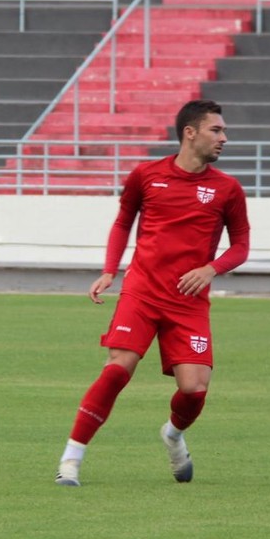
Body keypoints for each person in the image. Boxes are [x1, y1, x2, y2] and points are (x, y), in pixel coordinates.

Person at [55, 99, 251, 486]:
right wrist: (110, 271)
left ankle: (173, 435)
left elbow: (241, 245)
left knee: (194, 391)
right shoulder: (146, 175)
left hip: (188, 304)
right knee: (116, 370)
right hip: (141, 293)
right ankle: (71, 460)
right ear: (190, 133)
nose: (224, 138)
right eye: (217, 130)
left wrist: (211, 268)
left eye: (224, 131)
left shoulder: (227, 189)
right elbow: (123, 222)